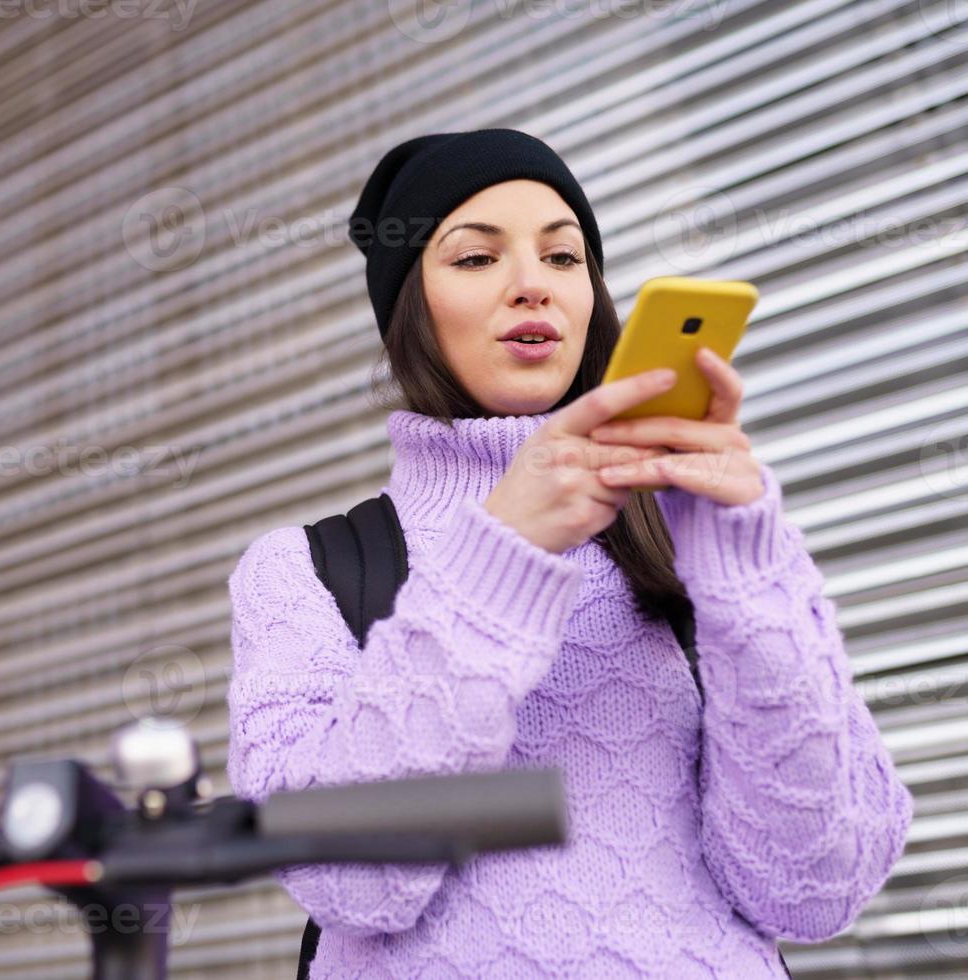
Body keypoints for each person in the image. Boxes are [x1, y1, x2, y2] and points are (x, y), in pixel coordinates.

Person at [223, 129, 912, 977]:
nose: (532, 288)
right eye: (476, 260)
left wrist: (746, 567)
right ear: (410, 307)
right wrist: (506, 550)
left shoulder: (683, 539)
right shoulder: (307, 572)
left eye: (563, 257)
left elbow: (812, 888)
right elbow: (350, 880)